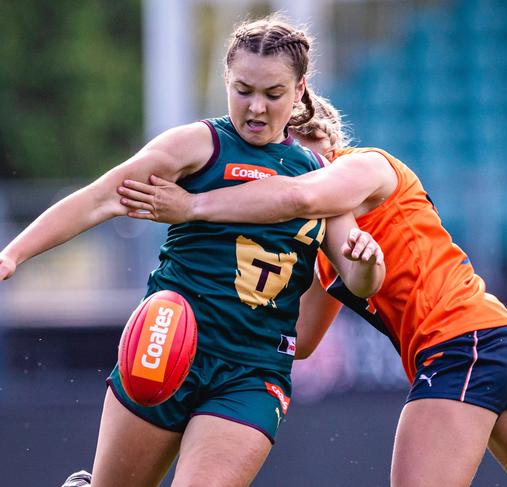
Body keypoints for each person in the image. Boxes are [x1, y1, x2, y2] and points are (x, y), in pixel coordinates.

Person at [119, 94, 507, 487]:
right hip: (493, 340)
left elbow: (301, 194)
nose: (295, 167)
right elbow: (304, 341)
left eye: (306, 153)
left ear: (329, 142)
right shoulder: (325, 243)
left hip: (462, 343)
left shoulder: (365, 166)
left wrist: (193, 205)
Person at [0, 17, 385, 487]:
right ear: (226, 81)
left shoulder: (321, 178)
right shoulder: (198, 145)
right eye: (243, 90)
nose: (256, 107)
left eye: (273, 93)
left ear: (300, 89)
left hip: (252, 372)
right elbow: (100, 198)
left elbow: (359, 281)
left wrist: (368, 262)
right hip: (166, 341)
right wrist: (13, 254)